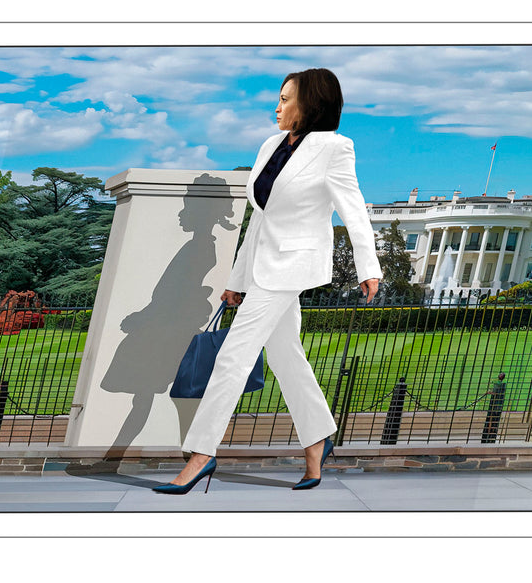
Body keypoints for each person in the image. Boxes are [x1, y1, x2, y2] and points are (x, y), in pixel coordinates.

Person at [153, 68, 383, 494]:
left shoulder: (334, 148)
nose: (276, 107)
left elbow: (354, 210)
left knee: (233, 358)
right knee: (285, 357)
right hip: (260, 267)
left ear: (310, 104)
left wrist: (369, 267)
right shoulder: (270, 145)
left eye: (285, 99)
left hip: (292, 267)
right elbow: (258, 221)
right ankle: (318, 440)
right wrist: (237, 278)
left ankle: (201, 455)